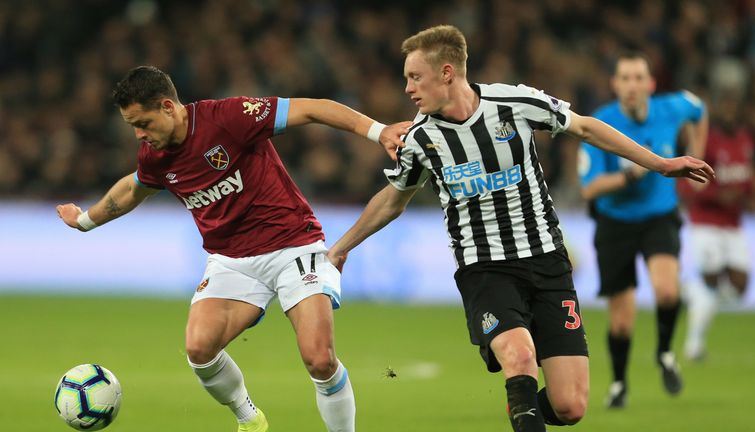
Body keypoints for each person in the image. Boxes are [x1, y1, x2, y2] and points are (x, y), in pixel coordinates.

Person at [326, 26, 713, 432]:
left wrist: (661, 164)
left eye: (414, 77)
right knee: (519, 354)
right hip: (485, 269)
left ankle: (522, 406)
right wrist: (341, 247)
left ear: (446, 73)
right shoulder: (420, 138)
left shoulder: (515, 102)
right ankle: (522, 400)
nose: (407, 89)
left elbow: (584, 127)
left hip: (547, 260)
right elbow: (393, 198)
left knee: (570, 405)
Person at [56, 65, 410, 432]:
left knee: (320, 359)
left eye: (142, 123)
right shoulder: (155, 156)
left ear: (167, 106)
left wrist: (378, 131)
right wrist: (86, 221)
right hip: (231, 262)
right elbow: (132, 190)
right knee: (199, 349)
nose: (138, 134)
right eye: (132, 125)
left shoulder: (229, 117)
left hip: (293, 246)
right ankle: (250, 419)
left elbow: (313, 108)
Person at [578, 52, 709, 408]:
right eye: (625, 78)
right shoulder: (600, 124)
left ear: (651, 84)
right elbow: (588, 189)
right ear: (615, 85)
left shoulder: (672, 108)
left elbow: (699, 110)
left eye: (639, 78)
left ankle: (665, 353)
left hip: (658, 217)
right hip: (615, 222)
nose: (632, 85)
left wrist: (697, 153)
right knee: (622, 321)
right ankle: (619, 383)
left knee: (667, 291)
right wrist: (627, 177)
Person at [679, 92, 755, 361]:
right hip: (706, 222)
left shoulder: (746, 139)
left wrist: (749, 194)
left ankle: (687, 292)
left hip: (733, 224)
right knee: (711, 279)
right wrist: (715, 196)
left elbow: (746, 178)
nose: (731, 113)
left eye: (735, 107)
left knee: (740, 284)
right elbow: (687, 181)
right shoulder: (707, 141)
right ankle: (694, 346)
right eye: (726, 106)